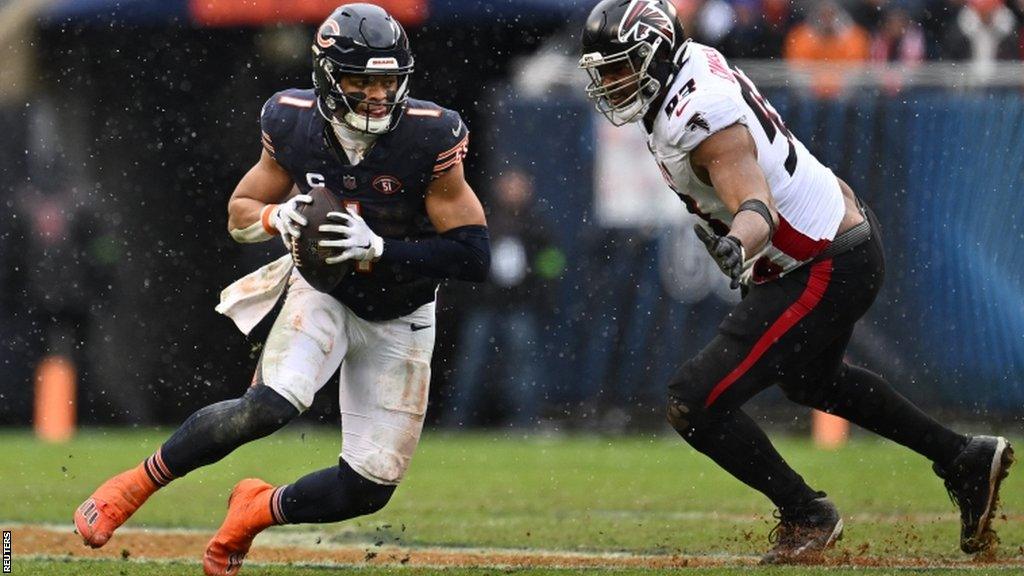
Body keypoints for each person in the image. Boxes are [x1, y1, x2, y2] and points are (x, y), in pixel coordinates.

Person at [578, 0, 1013, 564]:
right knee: (814, 382)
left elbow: (756, 201)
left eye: (620, 66)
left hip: (821, 260)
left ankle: (807, 513)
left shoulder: (697, 115)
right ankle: (963, 458)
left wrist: (738, 241)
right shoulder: (688, 71)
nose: (610, 83)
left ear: (657, 56)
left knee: (694, 401)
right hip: (834, 240)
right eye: (604, 70)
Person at [73, 4, 489, 575]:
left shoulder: (429, 134)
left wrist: (383, 248)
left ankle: (254, 510)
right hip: (324, 293)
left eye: (388, 81)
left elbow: (474, 254)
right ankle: (131, 486)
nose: (376, 95)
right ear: (326, 76)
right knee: (268, 407)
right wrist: (277, 218)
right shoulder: (291, 121)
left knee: (368, 488)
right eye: (361, 80)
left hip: (403, 310)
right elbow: (240, 211)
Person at [443, 168, 563, 428]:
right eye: (508, 186)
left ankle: (524, 421)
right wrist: (471, 293)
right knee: (471, 365)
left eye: (518, 187)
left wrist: (539, 292)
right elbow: (464, 260)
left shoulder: (537, 225)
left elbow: (552, 263)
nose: (513, 192)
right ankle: (456, 421)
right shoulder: (483, 220)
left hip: (520, 306)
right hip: (484, 306)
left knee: (523, 367)